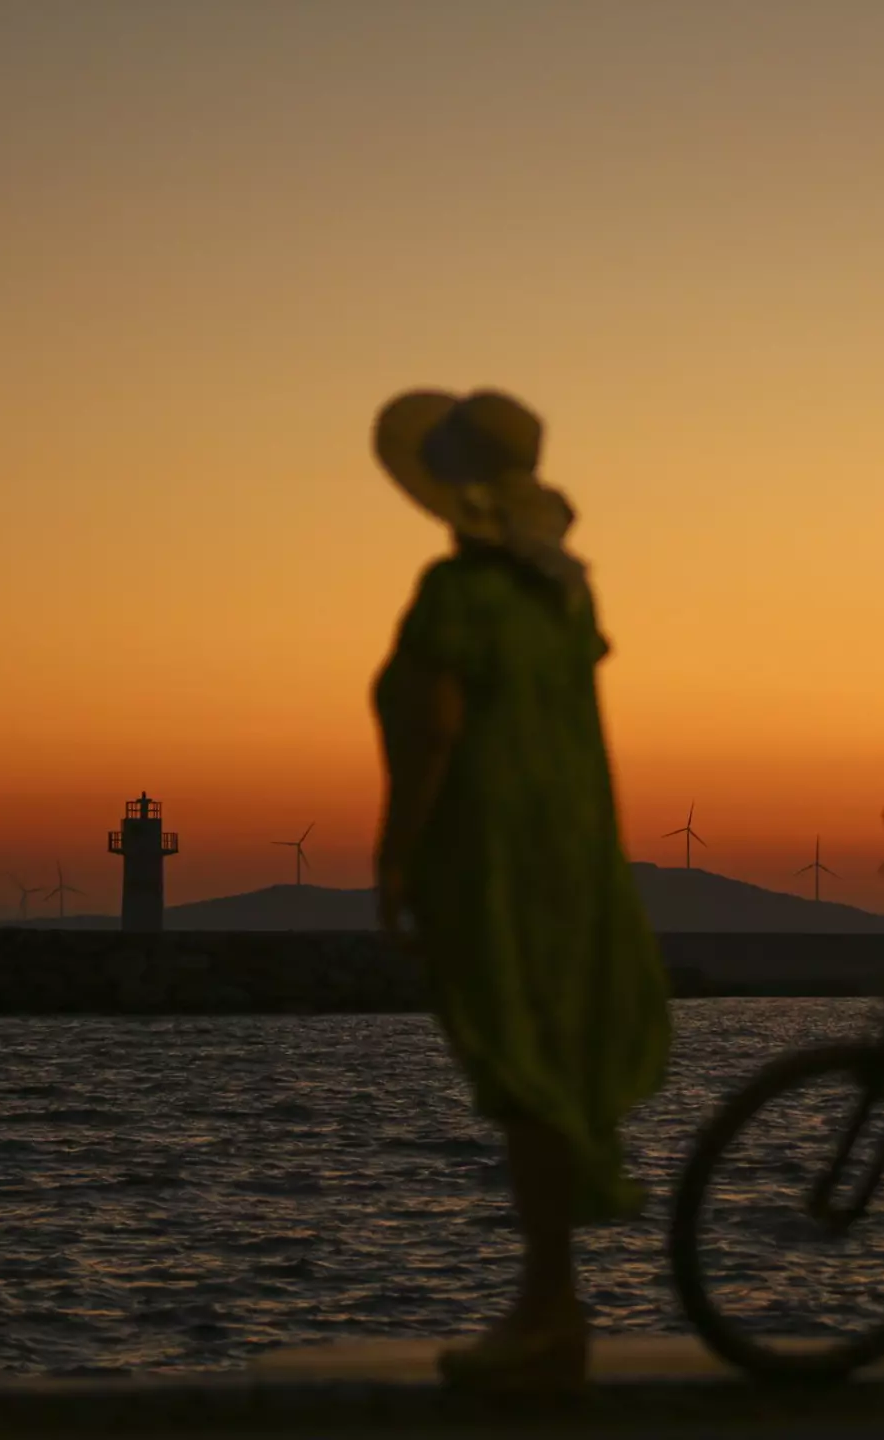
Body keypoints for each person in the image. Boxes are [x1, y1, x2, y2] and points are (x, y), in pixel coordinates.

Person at [369, 388, 672, 1394]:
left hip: (490, 848)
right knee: (550, 1053)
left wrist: (394, 857)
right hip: (574, 844)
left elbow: (435, 731)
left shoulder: (456, 598)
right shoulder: (563, 591)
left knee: (517, 1064)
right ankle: (554, 1303)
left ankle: (548, 1309)